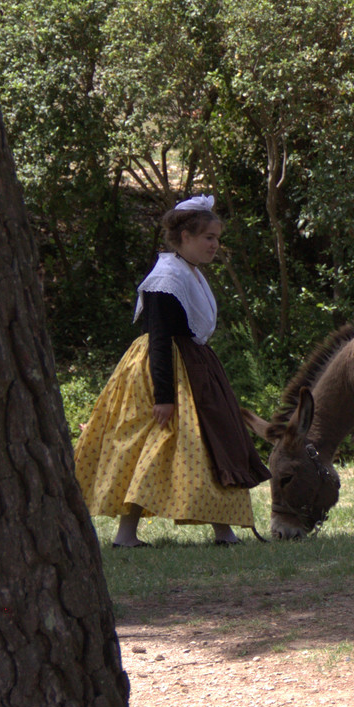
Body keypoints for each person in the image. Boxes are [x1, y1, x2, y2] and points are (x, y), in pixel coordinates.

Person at [73, 196, 270, 546]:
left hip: (194, 366)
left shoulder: (189, 272)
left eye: (216, 237)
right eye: (208, 237)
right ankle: (126, 534)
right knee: (150, 447)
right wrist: (164, 397)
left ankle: (223, 529)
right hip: (164, 372)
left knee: (213, 443)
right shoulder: (166, 277)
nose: (214, 244)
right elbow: (160, 339)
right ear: (184, 238)